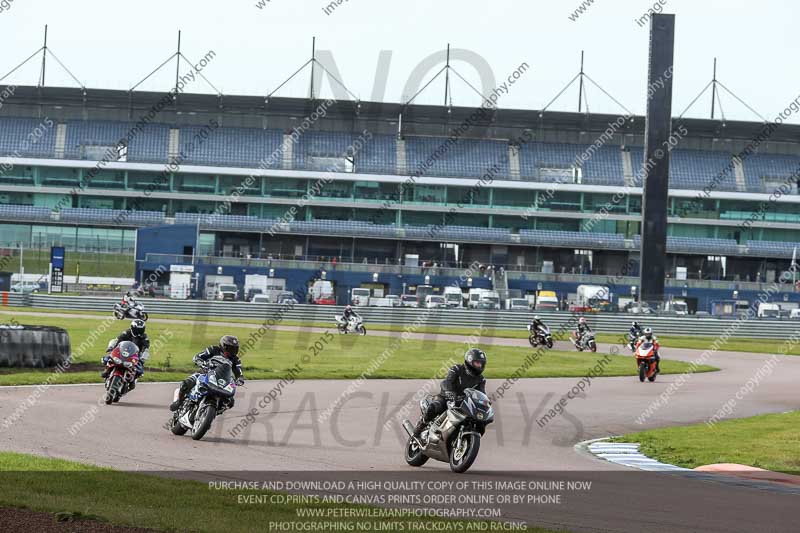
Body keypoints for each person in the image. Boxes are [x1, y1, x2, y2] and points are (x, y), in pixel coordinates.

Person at [413, 348, 488, 437]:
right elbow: (447, 381)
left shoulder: (481, 379)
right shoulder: (457, 369)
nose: (479, 366)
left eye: (481, 364)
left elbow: (482, 393)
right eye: (477, 363)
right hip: (447, 397)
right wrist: (450, 393)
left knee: (477, 421)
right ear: (470, 361)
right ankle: (421, 425)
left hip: (464, 403)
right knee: (435, 407)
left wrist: (485, 404)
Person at [170, 335, 244, 411]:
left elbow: (238, 371)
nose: (233, 351)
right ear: (224, 346)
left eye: (235, 349)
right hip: (205, 373)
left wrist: (240, 378)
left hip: (223, 379)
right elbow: (198, 356)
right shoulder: (213, 350)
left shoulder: (235, 359)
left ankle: (216, 410)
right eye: (231, 348)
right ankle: (179, 401)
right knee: (185, 384)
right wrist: (201, 362)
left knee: (230, 401)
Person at [102, 319, 150, 386]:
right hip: (122, 351)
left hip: (135, 355)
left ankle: (133, 380)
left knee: (140, 370)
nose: (138, 332)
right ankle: (107, 370)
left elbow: (146, 349)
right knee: (107, 358)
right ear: (132, 328)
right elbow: (117, 340)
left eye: (140, 330)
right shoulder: (127, 333)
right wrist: (111, 348)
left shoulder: (144, 337)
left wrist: (142, 358)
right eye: (137, 329)